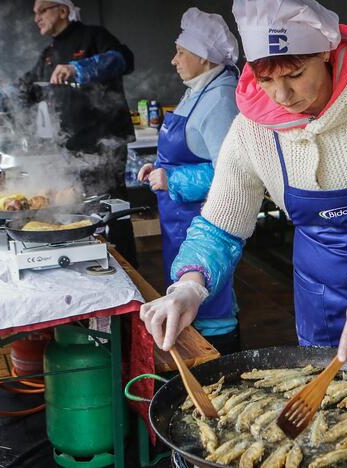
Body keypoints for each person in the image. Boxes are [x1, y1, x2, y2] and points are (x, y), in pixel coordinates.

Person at [140, 0, 347, 464]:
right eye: (266, 78)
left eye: (295, 74)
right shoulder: (252, 128)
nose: (281, 95)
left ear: (328, 55)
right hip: (325, 308)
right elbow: (218, 226)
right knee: (330, 441)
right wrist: (190, 284)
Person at [0, 0, 139, 265]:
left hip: (105, 142)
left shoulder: (94, 36)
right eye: (35, 13)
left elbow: (122, 60)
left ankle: (127, 267)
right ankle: (88, 263)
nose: (36, 17)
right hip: (69, 146)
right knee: (75, 208)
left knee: (110, 207)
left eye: (42, 10)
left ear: (62, 11)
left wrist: (79, 68)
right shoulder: (48, 53)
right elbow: (26, 91)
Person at [137, 8, 241, 354]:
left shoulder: (220, 99)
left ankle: (217, 358)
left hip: (203, 219)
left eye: (180, 52)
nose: (174, 59)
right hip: (178, 219)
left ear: (202, 56)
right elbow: (190, 149)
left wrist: (174, 178)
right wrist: (158, 168)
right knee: (188, 289)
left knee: (209, 297)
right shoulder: (198, 89)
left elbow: (234, 174)